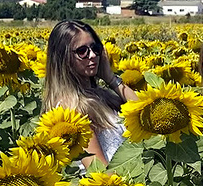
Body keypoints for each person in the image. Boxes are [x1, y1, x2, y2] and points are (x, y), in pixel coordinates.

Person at [42, 20, 137, 165]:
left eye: (95, 48)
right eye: (82, 51)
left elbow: (143, 111)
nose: (92, 55)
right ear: (64, 58)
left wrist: (110, 78)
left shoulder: (98, 94)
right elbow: (98, 169)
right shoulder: (70, 110)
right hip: (114, 184)